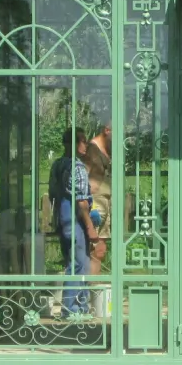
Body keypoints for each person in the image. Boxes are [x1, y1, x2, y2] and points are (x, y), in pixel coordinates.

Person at [49, 128, 99, 317]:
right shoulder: (76, 167)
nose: (86, 145)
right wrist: (90, 227)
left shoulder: (58, 164)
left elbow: (53, 194)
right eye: (83, 141)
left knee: (76, 262)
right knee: (78, 264)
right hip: (75, 220)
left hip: (63, 220)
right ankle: (71, 309)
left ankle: (80, 306)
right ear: (73, 143)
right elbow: (81, 202)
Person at [84, 123, 112, 319]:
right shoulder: (92, 150)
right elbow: (84, 176)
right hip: (96, 203)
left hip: (104, 199)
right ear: (106, 131)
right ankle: (91, 300)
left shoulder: (105, 149)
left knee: (100, 250)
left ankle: (95, 300)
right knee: (96, 249)